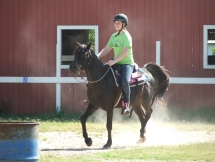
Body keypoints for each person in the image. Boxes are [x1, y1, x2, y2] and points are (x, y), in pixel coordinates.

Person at [83, 13, 135, 116]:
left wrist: (114, 61)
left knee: (124, 81)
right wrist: (97, 56)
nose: (116, 25)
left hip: (127, 64)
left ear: (124, 24)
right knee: (99, 74)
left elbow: (125, 52)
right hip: (115, 62)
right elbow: (107, 48)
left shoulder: (127, 36)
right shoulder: (113, 36)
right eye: (115, 23)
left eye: (118, 23)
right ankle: (91, 98)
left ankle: (126, 105)